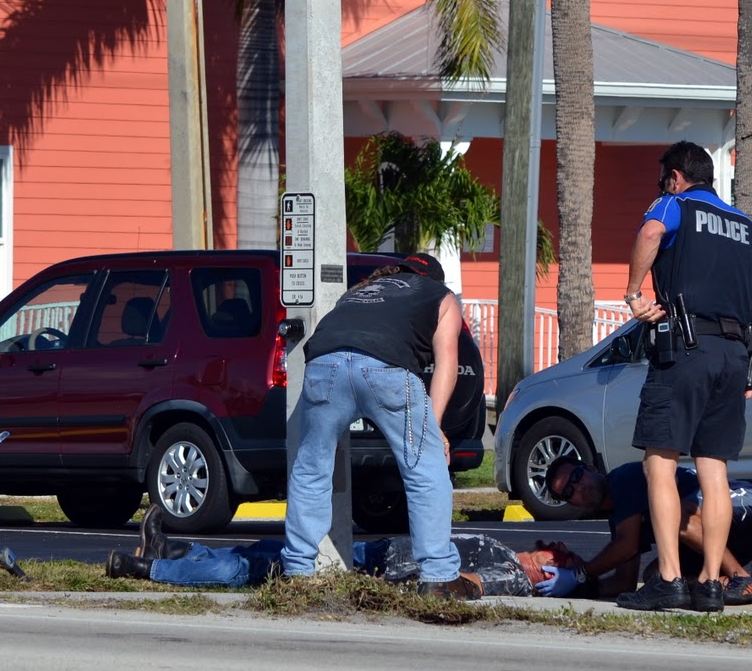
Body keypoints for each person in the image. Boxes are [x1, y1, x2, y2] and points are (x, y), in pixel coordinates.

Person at [619, 140, 752, 612]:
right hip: (734, 355)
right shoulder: (750, 228)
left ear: (675, 175)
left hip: (685, 348)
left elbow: (650, 234)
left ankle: (669, 577)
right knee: (715, 471)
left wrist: (633, 294)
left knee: (660, 463)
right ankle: (711, 583)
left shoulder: (674, 204)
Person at [280, 253, 481, 599]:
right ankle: (438, 575)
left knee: (311, 469)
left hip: (323, 364)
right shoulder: (440, 296)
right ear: (435, 278)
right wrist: (433, 429)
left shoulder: (362, 290)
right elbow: (447, 362)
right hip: (386, 369)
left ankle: (297, 571)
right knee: (426, 471)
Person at [533, 456, 752, 605]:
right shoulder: (619, 518)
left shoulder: (623, 479)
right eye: (569, 492)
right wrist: (579, 590)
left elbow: (627, 545)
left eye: (577, 477)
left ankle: (739, 577)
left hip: (746, 504)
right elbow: (625, 582)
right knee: (658, 575)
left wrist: (580, 574)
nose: (579, 488)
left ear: (590, 468)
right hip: (734, 539)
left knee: (674, 514)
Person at [108, 508, 523, 597]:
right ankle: (179, 549)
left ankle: (150, 568)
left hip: (374, 569)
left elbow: (467, 586)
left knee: (243, 571)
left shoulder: (517, 576)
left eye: (559, 559)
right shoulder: (508, 552)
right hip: (370, 550)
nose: (554, 548)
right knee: (264, 550)